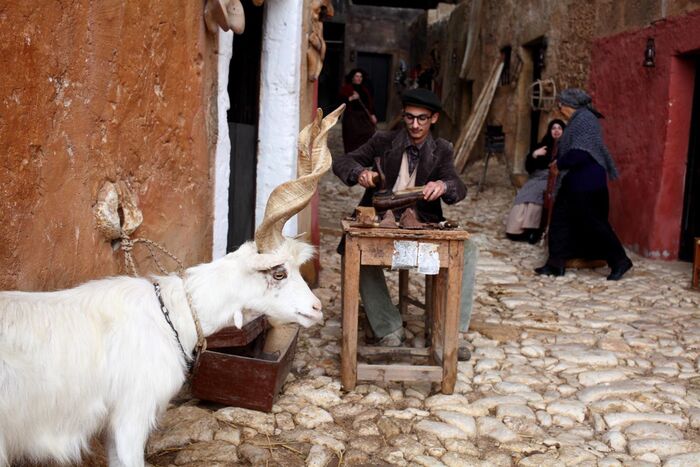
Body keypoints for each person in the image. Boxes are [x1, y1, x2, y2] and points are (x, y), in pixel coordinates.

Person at [333, 88, 477, 349]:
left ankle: (451, 334)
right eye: (410, 118)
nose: (415, 125)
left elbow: (458, 184)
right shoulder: (382, 141)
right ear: (404, 116)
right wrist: (359, 173)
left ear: (433, 119)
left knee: (468, 249)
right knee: (356, 244)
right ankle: (388, 326)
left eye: (422, 118)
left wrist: (444, 186)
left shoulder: (441, 149)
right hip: (379, 218)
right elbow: (344, 161)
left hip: (422, 222)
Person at [535, 88, 633, 281]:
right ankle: (556, 264)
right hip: (573, 182)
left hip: (587, 184)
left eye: (561, 104)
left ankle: (620, 260)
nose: (560, 108)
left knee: (595, 224)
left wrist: (559, 164)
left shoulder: (586, 119)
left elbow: (581, 152)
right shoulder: (577, 120)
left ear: (570, 105)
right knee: (560, 222)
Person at [506, 119, 566, 244]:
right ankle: (515, 230)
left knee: (536, 193)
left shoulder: (566, 147)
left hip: (553, 178)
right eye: (553, 128)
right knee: (524, 193)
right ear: (550, 130)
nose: (556, 131)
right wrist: (534, 154)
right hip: (537, 176)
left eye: (559, 128)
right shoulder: (542, 145)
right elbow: (529, 167)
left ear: (563, 131)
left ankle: (532, 229)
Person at [339, 68, 377, 153]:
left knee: (369, 133)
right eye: (357, 76)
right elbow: (340, 102)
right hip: (351, 117)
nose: (359, 78)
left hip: (363, 117)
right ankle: (352, 156)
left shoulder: (364, 89)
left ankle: (363, 154)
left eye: (360, 76)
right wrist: (351, 98)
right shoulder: (347, 88)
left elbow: (369, 103)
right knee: (352, 137)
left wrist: (373, 114)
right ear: (352, 78)